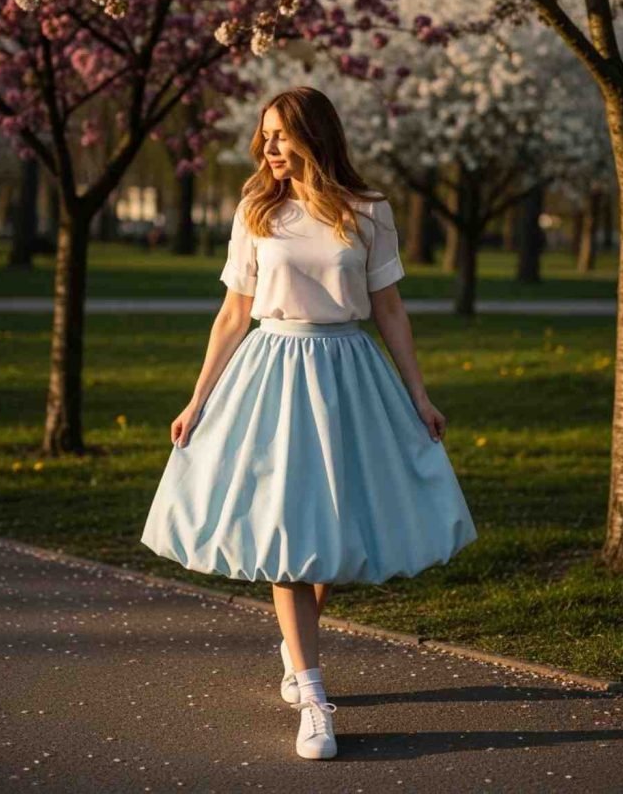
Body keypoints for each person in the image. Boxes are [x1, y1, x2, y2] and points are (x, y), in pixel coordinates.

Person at [140, 86, 478, 761]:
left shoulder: (368, 212)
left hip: (349, 373)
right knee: (289, 528)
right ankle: (314, 696)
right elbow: (234, 312)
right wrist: (196, 398)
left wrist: (419, 394)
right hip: (271, 372)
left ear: (315, 137)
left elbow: (389, 311)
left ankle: (297, 649)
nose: (267, 147)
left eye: (279, 135)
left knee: (333, 528)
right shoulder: (255, 211)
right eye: (263, 136)